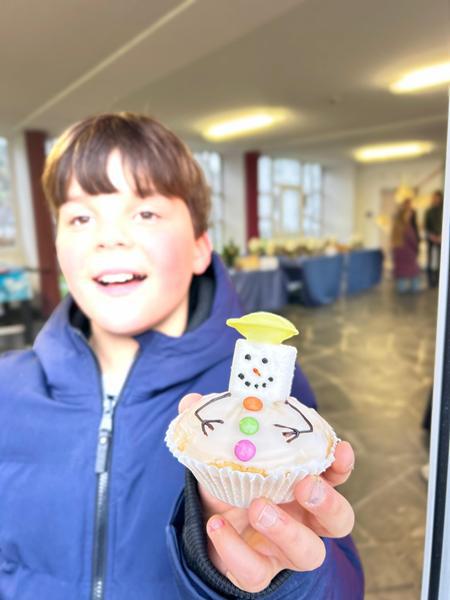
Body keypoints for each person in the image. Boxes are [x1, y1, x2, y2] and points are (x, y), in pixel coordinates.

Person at [0, 113, 363, 599]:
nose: (109, 237)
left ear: (199, 248)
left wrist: (281, 581)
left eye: (145, 213)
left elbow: (337, 584)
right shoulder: (8, 390)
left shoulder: (271, 405)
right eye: (81, 218)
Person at [391, 199, 422, 293]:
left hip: (399, 253)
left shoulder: (396, 226)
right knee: (414, 274)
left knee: (401, 274)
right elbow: (413, 241)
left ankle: (401, 289)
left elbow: (393, 241)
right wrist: (417, 249)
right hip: (409, 254)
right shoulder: (408, 228)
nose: (410, 216)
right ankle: (415, 288)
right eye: (408, 215)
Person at [424, 190, 443, 288]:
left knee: (441, 260)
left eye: (437, 197)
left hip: (442, 239)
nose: (435, 199)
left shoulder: (444, 210)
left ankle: (440, 280)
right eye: (434, 197)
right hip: (431, 239)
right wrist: (431, 236)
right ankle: (431, 281)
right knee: (430, 260)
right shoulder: (429, 211)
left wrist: (441, 236)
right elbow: (426, 226)